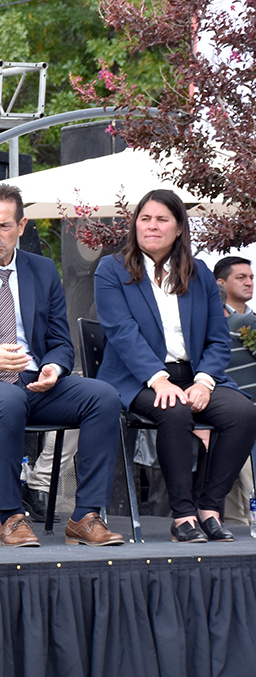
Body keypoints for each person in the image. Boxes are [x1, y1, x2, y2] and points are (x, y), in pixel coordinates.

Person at [0, 183, 125, 548]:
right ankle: (11, 516)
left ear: (22, 225)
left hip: (35, 381)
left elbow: (62, 342)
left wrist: (55, 369)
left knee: (104, 396)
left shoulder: (43, 271)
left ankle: (85, 516)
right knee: (6, 399)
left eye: (3, 227)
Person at [94, 189, 256, 543]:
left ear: (179, 227)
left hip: (195, 375)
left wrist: (204, 382)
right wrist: (158, 379)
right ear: (135, 224)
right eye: (145, 218)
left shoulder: (198, 273)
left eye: (162, 219)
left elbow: (217, 337)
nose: (152, 226)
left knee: (243, 413)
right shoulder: (111, 269)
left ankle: (209, 509)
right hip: (137, 379)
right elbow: (122, 333)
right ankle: (182, 514)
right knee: (176, 411)